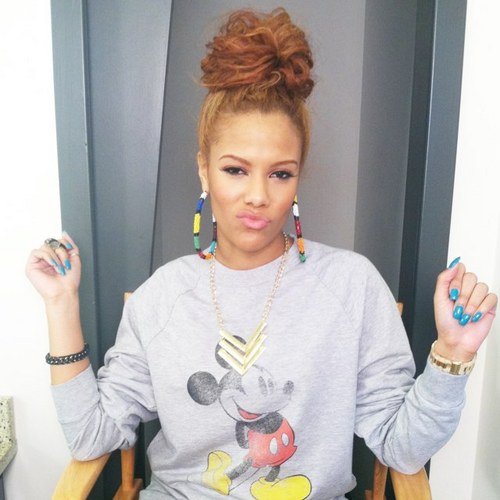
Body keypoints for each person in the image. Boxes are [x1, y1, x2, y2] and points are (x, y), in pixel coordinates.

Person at [25, 8, 497, 500]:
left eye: (279, 173)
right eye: (235, 170)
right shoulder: (161, 298)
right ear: (204, 170)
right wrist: (60, 304)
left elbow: (402, 449)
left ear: (297, 178)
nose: (257, 196)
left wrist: (453, 354)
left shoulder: (351, 286)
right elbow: (92, 438)